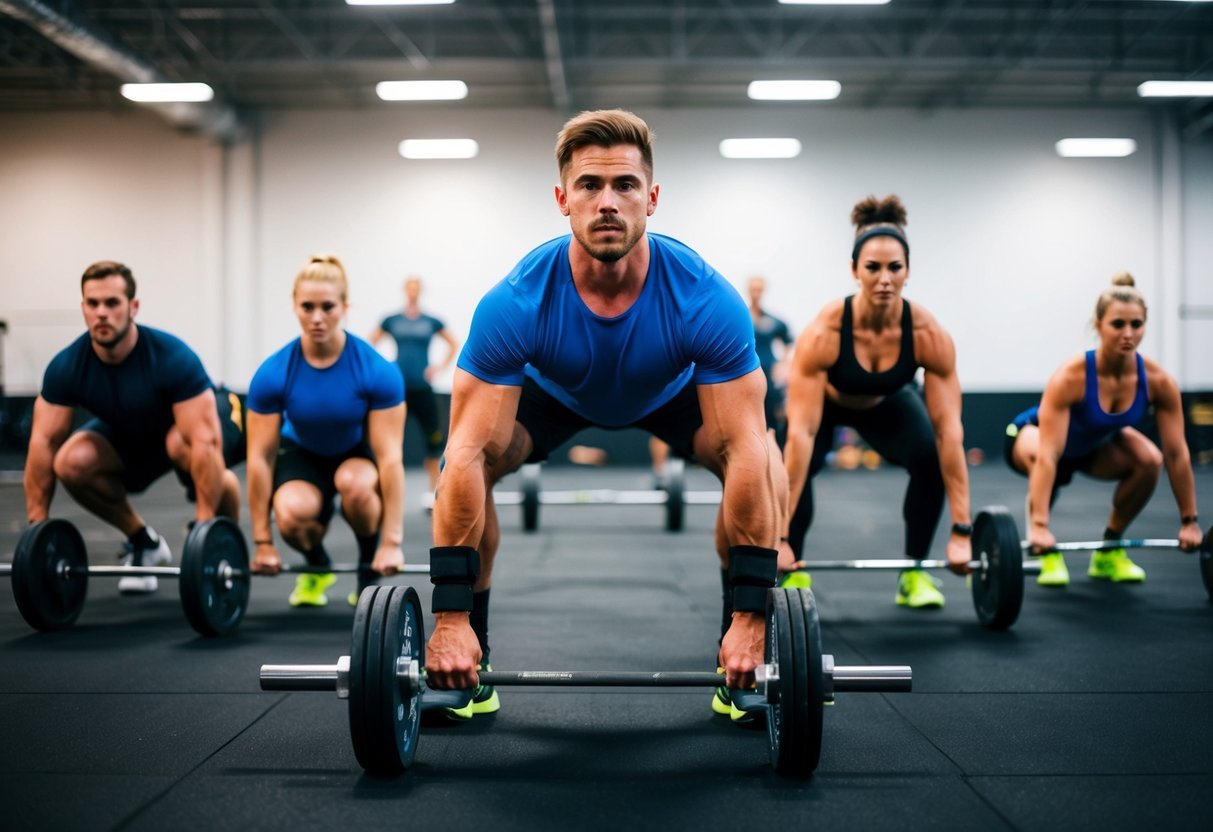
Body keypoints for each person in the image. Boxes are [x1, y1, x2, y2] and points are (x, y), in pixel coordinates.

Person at [424, 109, 787, 724]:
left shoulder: (706, 298)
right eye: (590, 186)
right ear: (563, 199)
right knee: (473, 459)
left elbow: (749, 450)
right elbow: (462, 454)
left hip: (669, 393)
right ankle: (470, 651)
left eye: (624, 186)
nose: (608, 202)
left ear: (652, 197)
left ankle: (739, 653)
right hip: (553, 394)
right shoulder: (514, 302)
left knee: (757, 456)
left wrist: (755, 617)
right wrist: (448, 618)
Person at [783, 195, 972, 609]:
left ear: (908, 271)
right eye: (873, 267)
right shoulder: (824, 333)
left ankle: (915, 571)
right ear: (854, 270)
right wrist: (778, 536)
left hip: (888, 402)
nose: (884, 278)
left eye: (894, 267)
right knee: (798, 461)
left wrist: (963, 529)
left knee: (930, 458)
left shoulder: (928, 334)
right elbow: (802, 432)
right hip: (827, 403)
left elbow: (949, 431)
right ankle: (793, 564)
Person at [24, 260, 242, 594]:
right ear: (83, 307)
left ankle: (219, 538)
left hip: (191, 432)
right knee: (70, 461)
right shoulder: (67, 366)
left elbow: (204, 442)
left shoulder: (171, 357)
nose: (101, 313)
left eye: (112, 303)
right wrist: (36, 531)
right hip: (130, 436)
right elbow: (43, 444)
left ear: (133, 307)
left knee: (185, 448)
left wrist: (203, 533)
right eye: (93, 304)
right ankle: (145, 542)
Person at [1005, 272, 1201, 586]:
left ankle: (1110, 549)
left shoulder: (1158, 382)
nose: (1128, 334)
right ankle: (1045, 551)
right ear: (1098, 326)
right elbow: (1050, 455)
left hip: (1093, 446)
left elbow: (1177, 455)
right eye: (1117, 324)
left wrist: (1190, 521)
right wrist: (1039, 526)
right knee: (1043, 453)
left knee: (1150, 460)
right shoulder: (1071, 376)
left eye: (1136, 325)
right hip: (1033, 437)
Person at [245, 255, 406, 607]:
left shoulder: (376, 371)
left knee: (358, 487)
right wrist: (263, 542)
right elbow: (259, 458)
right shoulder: (273, 373)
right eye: (307, 307)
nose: (317, 318)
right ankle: (318, 565)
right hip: (301, 453)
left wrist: (391, 542)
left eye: (328, 307)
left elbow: (391, 458)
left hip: (353, 452)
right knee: (288, 513)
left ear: (345, 306)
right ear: (295, 307)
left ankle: (368, 567)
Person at [369, 276, 459, 494]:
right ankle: (384, 491)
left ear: (420, 291)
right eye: (409, 288)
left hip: (423, 389)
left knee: (434, 440)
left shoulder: (430, 321)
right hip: (397, 389)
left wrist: (439, 367)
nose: (413, 292)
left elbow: (453, 343)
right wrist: (385, 367)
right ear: (404, 291)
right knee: (388, 441)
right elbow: (370, 343)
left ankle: (435, 494)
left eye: (416, 288)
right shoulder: (392, 320)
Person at [748, 275, 794, 442]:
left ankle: (775, 447)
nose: (756, 293)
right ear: (749, 291)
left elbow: (788, 340)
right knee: (750, 411)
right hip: (748, 371)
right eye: (753, 289)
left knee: (772, 412)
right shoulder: (742, 317)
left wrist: (784, 364)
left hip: (769, 371)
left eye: (759, 289)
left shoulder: (772, 320)